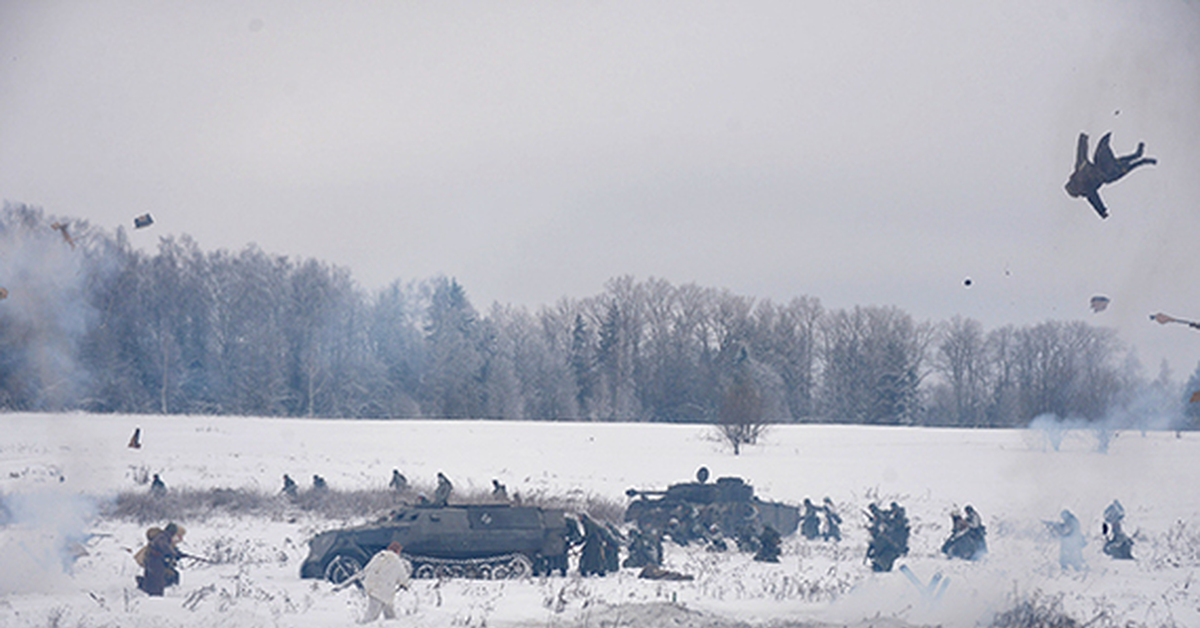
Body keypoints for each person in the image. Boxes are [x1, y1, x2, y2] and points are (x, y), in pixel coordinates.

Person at [1064, 132, 1156, 219]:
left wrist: (1083, 138)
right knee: (1122, 164)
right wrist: (1083, 138)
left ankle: (1139, 156)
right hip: (1106, 170)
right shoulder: (1082, 179)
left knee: (1124, 164)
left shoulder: (1084, 185)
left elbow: (1081, 153)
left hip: (1105, 169)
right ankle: (1139, 157)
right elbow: (1095, 200)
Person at [339, 542, 412, 624]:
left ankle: (393, 624)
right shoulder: (397, 561)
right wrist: (405, 585)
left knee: (389, 613)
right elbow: (403, 577)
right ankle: (362, 625)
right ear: (398, 551)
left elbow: (367, 569)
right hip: (383, 591)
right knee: (372, 616)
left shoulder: (379, 556)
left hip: (373, 588)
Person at [137, 523, 182, 596]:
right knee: (157, 580)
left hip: (151, 559)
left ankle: (144, 586)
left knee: (152, 578)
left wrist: (176, 552)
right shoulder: (163, 537)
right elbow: (164, 547)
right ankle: (154, 595)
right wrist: (173, 553)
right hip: (155, 560)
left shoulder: (162, 536)